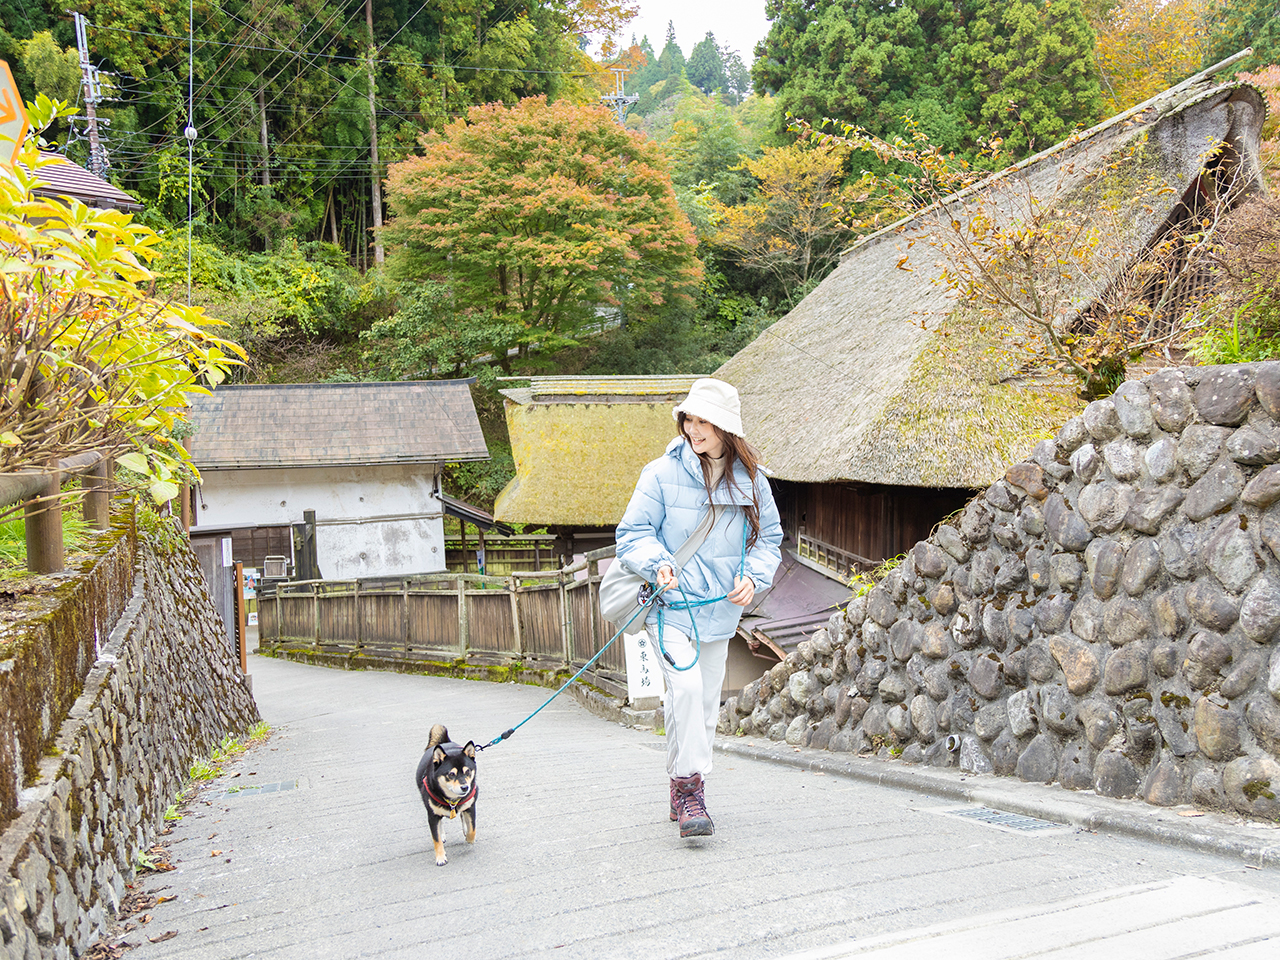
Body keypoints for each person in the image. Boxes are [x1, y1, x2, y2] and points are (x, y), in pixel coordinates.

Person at [614, 378, 782, 838]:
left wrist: (754, 579)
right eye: (689, 417)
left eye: (704, 420)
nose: (694, 427)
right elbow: (632, 534)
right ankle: (691, 791)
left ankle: (681, 782)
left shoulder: (754, 480)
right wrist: (657, 563)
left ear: (726, 427)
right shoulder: (659, 473)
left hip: (720, 610)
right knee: (685, 690)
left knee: (704, 703)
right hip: (670, 606)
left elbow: (769, 540)